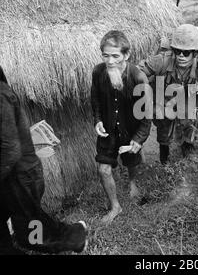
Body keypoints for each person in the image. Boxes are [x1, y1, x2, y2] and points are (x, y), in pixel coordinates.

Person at [0, 66, 88, 255]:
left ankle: (74, 237)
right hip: (11, 176)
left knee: (31, 229)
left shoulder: (1, 95)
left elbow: (11, 149)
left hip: (21, 176)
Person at [91, 30, 151, 224]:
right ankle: (115, 206)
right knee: (103, 169)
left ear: (126, 55)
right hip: (108, 130)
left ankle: (133, 182)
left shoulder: (139, 78)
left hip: (130, 130)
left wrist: (138, 139)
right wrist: (98, 120)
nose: (110, 61)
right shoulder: (98, 72)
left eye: (115, 56)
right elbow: (96, 100)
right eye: (105, 55)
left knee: (131, 160)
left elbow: (146, 115)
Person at [139, 24, 198, 164]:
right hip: (163, 98)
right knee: (164, 130)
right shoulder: (161, 60)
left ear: (195, 53)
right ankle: (164, 161)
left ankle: (187, 149)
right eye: (178, 51)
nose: (181, 56)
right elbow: (138, 72)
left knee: (191, 121)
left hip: (186, 96)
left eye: (186, 53)